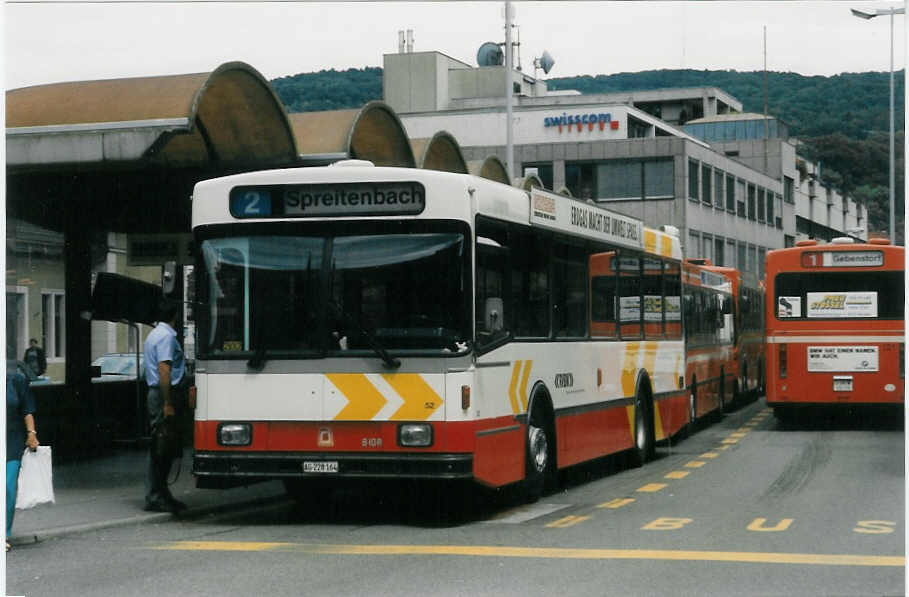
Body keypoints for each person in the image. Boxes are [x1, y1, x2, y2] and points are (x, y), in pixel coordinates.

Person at [143, 299, 187, 514]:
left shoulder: (153, 334)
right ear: (175, 315)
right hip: (164, 394)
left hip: (156, 393)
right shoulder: (168, 336)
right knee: (163, 446)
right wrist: (168, 402)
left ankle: (161, 493)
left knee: (161, 444)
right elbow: (164, 369)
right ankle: (155, 495)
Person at [6, 365, 39, 552]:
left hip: (12, 441)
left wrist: (31, 433)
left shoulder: (16, 380)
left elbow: (27, 410)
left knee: (8, 487)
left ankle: (4, 533)